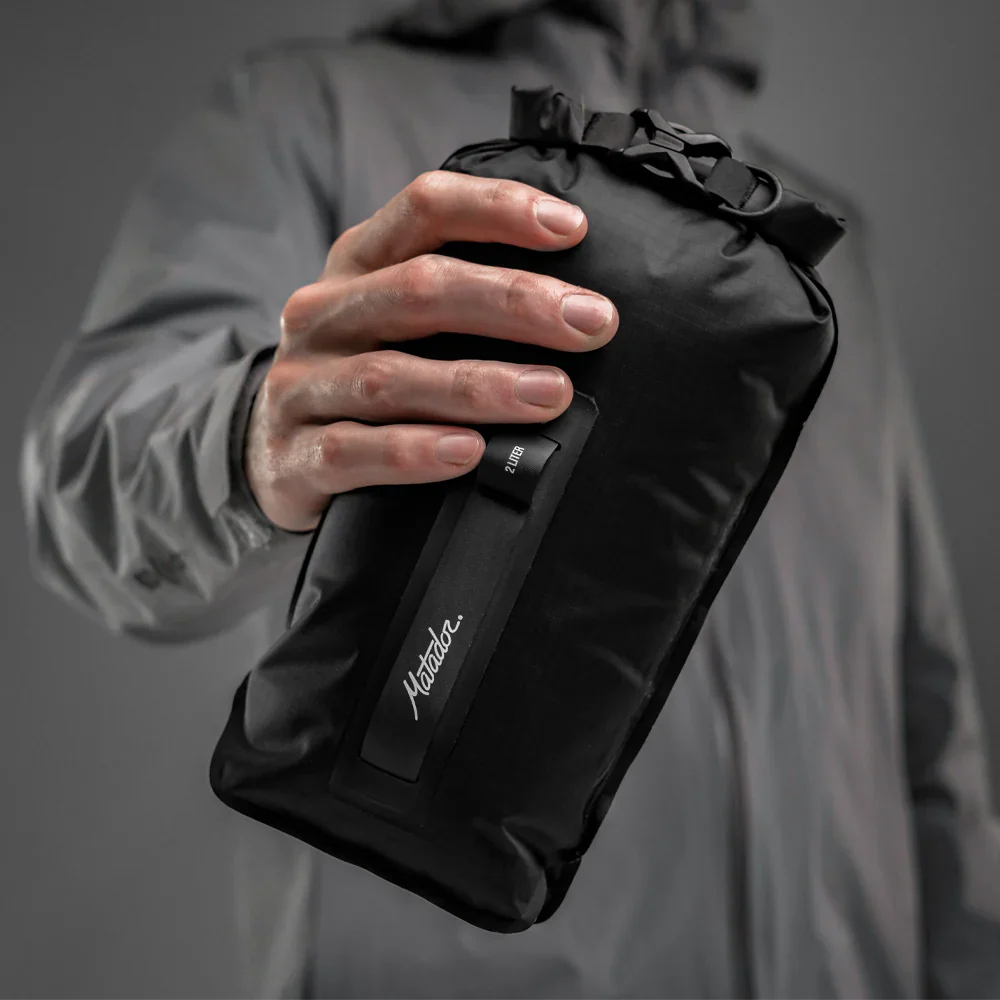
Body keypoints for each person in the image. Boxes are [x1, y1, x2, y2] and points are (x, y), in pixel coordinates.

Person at [19, 1, 1000, 998]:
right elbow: (85, 475)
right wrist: (253, 435)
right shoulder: (317, 116)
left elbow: (922, 712)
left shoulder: (822, 268)